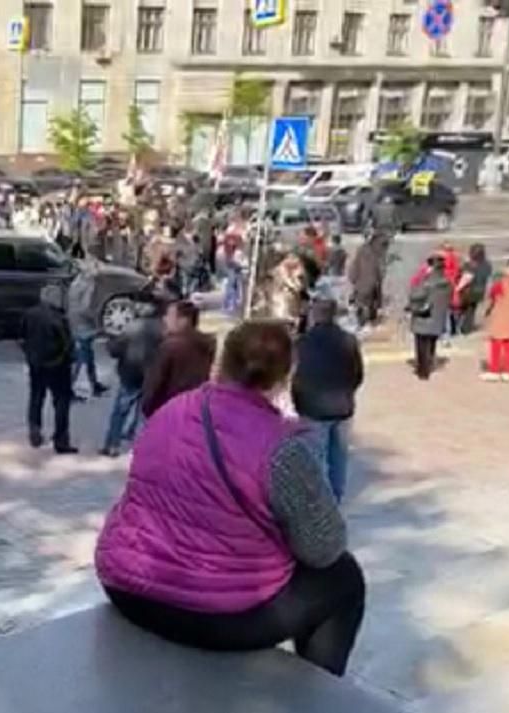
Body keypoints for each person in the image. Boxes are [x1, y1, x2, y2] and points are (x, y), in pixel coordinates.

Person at [95, 321, 364, 677]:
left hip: (126, 586)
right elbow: (324, 548)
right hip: (216, 616)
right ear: (285, 377)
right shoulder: (283, 448)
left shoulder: (170, 411)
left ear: (220, 364)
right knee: (344, 579)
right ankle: (312, 699)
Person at [291, 298, 364, 503]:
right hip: (342, 405)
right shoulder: (349, 340)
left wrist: (299, 402)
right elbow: (357, 374)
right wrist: (348, 392)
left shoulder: (302, 343)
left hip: (312, 407)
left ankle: (319, 502)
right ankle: (336, 497)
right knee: (339, 457)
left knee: (316, 456)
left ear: (314, 315)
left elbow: (296, 376)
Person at [20, 284, 78, 454]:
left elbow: (22, 337)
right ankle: (61, 440)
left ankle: (35, 429)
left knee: (36, 396)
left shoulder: (29, 314)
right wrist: (68, 360)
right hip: (58, 366)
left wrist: (29, 355)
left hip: (36, 364)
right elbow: (68, 345)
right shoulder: (59, 319)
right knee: (61, 402)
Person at [100, 299, 162, 457]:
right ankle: (140, 447)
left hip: (130, 373)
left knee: (120, 411)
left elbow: (115, 350)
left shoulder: (131, 327)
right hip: (151, 375)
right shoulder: (163, 329)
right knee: (143, 413)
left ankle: (112, 445)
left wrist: (109, 343)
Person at [141, 300, 216, 418]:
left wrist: (148, 409)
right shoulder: (205, 345)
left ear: (183, 320)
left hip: (167, 411)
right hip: (192, 410)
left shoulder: (171, 347)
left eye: (170, 316)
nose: (165, 319)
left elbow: (155, 384)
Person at [67, 258, 108, 400]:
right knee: (80, 359)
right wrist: (95, 321)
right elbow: (85, 307)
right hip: (84, 326)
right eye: (96, 267)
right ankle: (69, 390)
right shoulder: (89, 285)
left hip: (74, 323)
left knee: (85, 357)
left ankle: (94, 384)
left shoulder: (76, 282)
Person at [407, 255, 452, 380]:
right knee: (431, 343)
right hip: (438, 318)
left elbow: (415, 295)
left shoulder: (427, 283)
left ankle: (423, 371)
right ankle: (430, 363)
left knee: (421, 345)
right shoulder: (446, 282)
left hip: (424, 317)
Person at [348, 235, 385, 329]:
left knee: (361, 303)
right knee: (371, 303)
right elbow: (379, 271)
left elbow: (354, 268)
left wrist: (353, 279)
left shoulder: (361, 252)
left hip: (361, 284)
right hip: (371, 284)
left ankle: (361, 322)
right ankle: (371, 322)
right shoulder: (375, 254)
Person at [456, 243, 493, 336]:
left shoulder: (470, 265)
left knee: (461, 309)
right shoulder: (487, 265)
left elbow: (467, 278)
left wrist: (457, 288)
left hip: (468, 291)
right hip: (480, 291)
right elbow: (488, 278)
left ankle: (459, 327)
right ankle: (468, 327)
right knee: (471, 309)